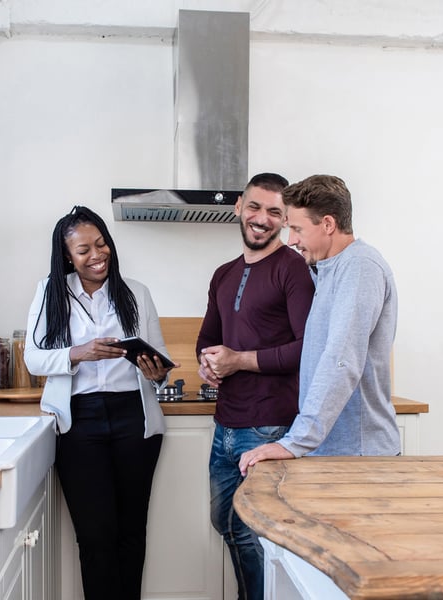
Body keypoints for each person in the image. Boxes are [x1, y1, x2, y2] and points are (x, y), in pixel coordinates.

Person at [24, 205, 177, 600]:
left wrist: (156, 371)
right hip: (80, 423)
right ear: (67, 257)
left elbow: (159, 359)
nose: (96, 255)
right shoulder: (51, 291)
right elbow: (34, 357)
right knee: (95, 536)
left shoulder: (136, 293)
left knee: (131, 533)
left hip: (134, 420)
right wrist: (79, 353)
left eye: (101, 243)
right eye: (83, 250)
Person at [196, 172, 315, 600]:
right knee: (225, 523)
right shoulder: (223, 274)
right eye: (254, 207)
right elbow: (207, 337)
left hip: (271, 427)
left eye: (274, 212)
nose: (261, 218)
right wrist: (207, 364)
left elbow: (307, 348)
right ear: (238, 207)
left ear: (285, 221)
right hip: (226, 423)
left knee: (259, 533)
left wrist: (238, 360)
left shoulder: (295, 269)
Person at [239, 174, 400, 476]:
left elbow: (342, 360)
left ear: (328, 224)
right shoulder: (328, 270)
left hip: (358, 456)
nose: (291, 241)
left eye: (297, 229)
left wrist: (296, 441)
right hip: (334, 452)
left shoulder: (360, 267)